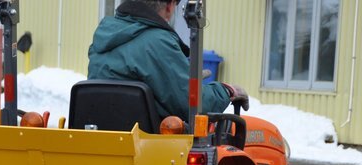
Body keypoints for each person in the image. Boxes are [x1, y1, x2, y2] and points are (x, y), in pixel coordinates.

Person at [87, 0, 248, 122]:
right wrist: (227, 91)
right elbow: (194, 104)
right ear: (170, 6)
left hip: (99, 138)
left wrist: (183, 77)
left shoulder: (105, 34)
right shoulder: (158, 41)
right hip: (149, 147)